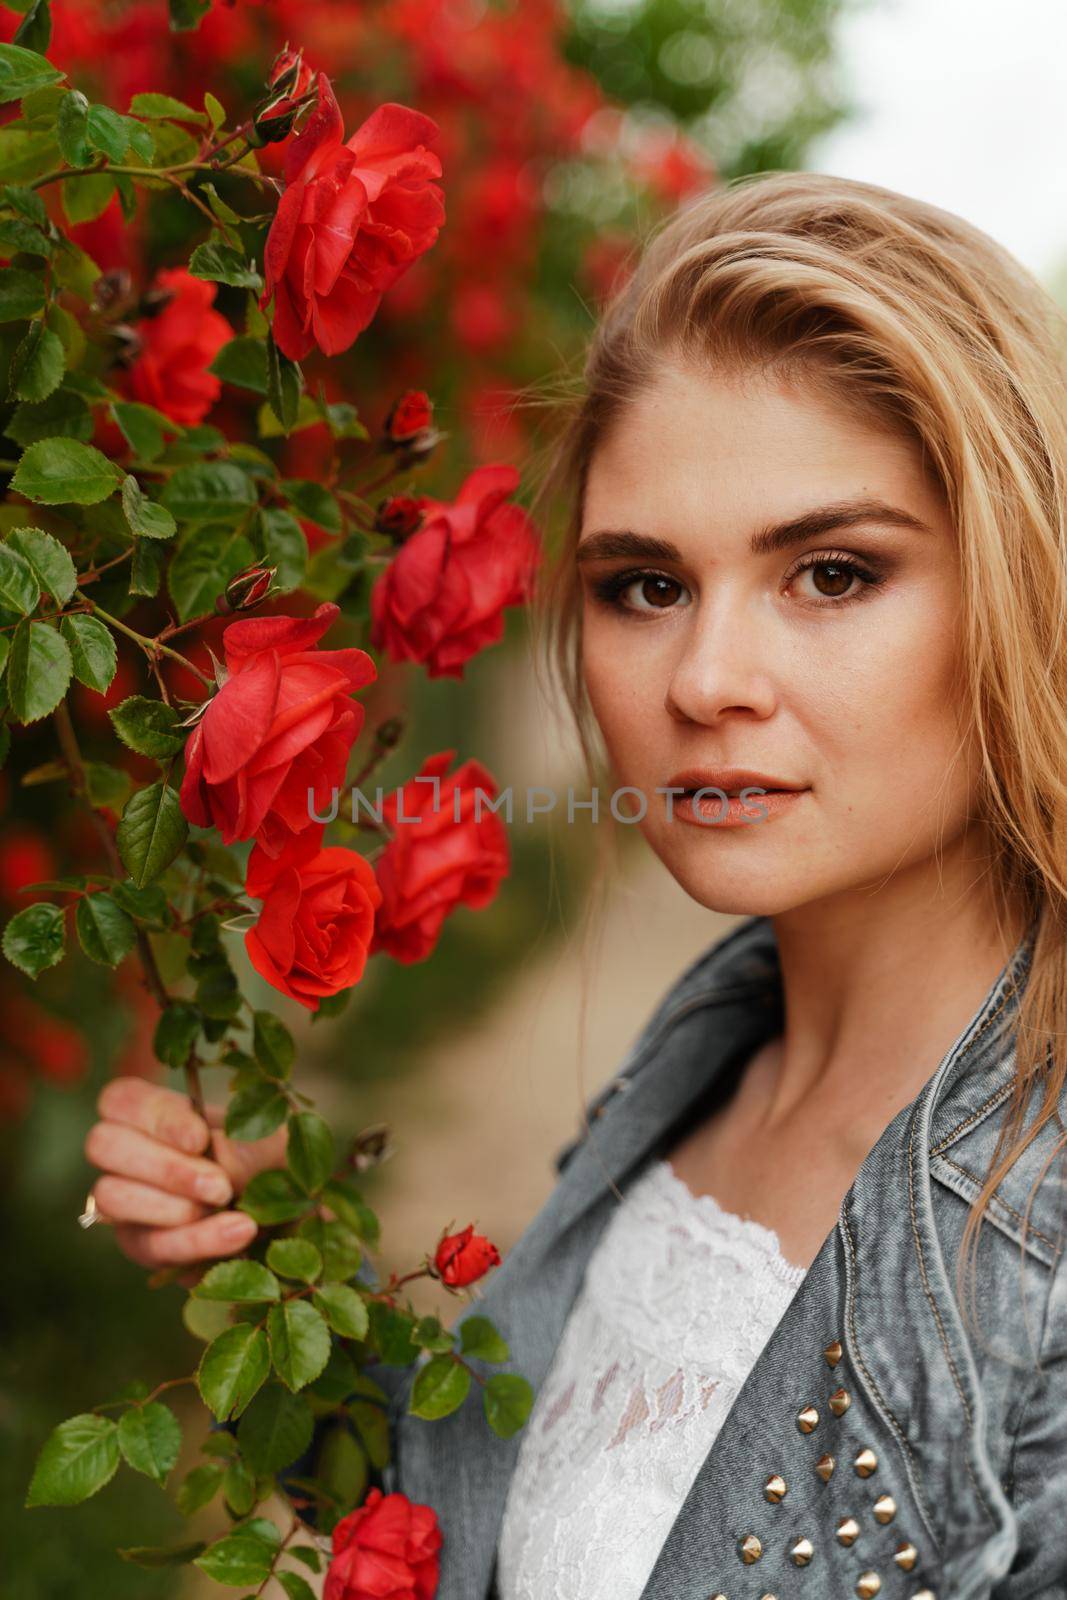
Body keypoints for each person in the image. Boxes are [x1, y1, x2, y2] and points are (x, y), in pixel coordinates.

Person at [82, 172, 1067, 1600]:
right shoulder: (707, 1069)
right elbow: (551, 1518)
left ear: (1024, 590)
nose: (706, 682)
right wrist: (258, 1285)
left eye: (835, 573)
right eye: (645, 587)